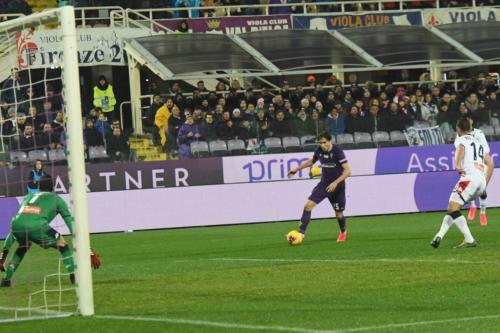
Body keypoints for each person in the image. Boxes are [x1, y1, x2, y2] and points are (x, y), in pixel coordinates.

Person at [1, 175, 77, 287]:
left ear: (39, 186)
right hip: (38, 226)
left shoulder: (28, 197)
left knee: (24, 245)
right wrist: (81, 241)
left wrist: (3, 255)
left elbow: (13, 232)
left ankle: (6, 279)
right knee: (62, 243)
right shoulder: (57, 199)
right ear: (53, 186)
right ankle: (74, 276)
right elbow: (70, 222)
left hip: (16, 224)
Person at [430, 118, 493, 249]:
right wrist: (484, 185)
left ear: (458, 129)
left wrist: (457, 164)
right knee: (453, 207)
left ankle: (470, 240)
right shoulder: (479, 144)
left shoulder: (461, 140)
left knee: (453, 206)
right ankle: (439, 235)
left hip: (468, 178)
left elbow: (460, 149)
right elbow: (490, 163)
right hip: (480, 180)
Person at [287, 132, 352, 243]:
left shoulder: (337, 151)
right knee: (308, 206)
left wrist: (335, 183)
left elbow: (348, 171)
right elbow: (311, 161)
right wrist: (296, 169)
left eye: (324, 142)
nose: (322, 145)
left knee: (338, 213)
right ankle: (301, 234)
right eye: (320, 142)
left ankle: (343, 232)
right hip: (324, 185)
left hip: (338, 187)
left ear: (330, 141)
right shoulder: (319, 150)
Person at [458, 117, 491, 226]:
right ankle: (472, 206)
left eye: (470, 120)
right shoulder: (460, 135)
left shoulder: (479, 133)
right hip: (467, 164)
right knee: (465, 188)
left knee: (481, 190)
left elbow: (486, 149)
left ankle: (482, 212)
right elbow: (457, 147)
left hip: (479, 164)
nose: (469, 122)